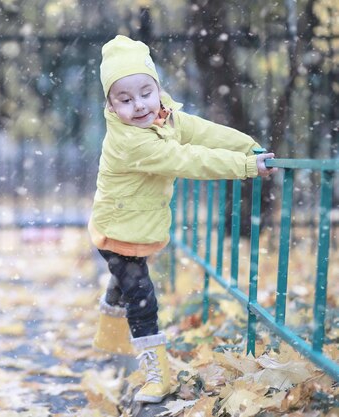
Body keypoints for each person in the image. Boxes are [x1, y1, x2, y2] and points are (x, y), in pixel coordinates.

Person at [88, 35, 277, 404]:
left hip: (137, 226)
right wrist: (244, 167)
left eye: (145, 92)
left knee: (125, 284)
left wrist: (246, 145)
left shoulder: (165, 116)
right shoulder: (132, 141)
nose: (139, 105)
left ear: (158, 88)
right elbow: (187, 160)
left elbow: (203, 131)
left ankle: (109, 338)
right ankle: (157, 375)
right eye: (125, 100)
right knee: (142, 298)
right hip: (116, 230)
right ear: (110, 105)